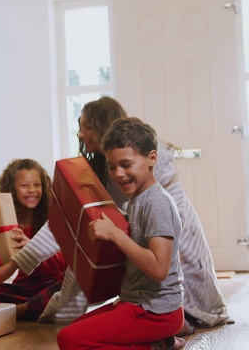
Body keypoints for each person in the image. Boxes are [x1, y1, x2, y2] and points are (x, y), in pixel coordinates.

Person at [0, 97, 229, 330]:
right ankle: (49, 310)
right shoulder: (97, 168)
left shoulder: (153, 171)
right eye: (80, 126)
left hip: (167, 247)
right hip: (134, 247)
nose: (81, 133)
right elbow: (65, 222)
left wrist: (120, 235)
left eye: (87, 127)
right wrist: (14, 264)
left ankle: (171, 319)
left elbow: (168, 225)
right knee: (85, 248)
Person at [57, 117, 183, 349]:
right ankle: (161, 341)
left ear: (151, 158)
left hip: (155, 311)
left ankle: (153, 345)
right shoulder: (137, 200)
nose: (118, 174)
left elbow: (159, 269)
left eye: (126, 164)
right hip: (134, 302)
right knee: (74, 327)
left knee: (68, 339)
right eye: (112, 166)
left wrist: (116, 235)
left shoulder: (157, 203)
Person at [0, 158, 67, 320]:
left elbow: (62, 264)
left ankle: (19, 310)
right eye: (24, 185)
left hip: (51, 283)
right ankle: (35, 305)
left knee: (68, 281)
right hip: (23, 289)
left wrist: (32, 246)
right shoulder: (6, 222)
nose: (32, 190)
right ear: (12, 189)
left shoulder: (52, 218)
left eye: (37, 185)